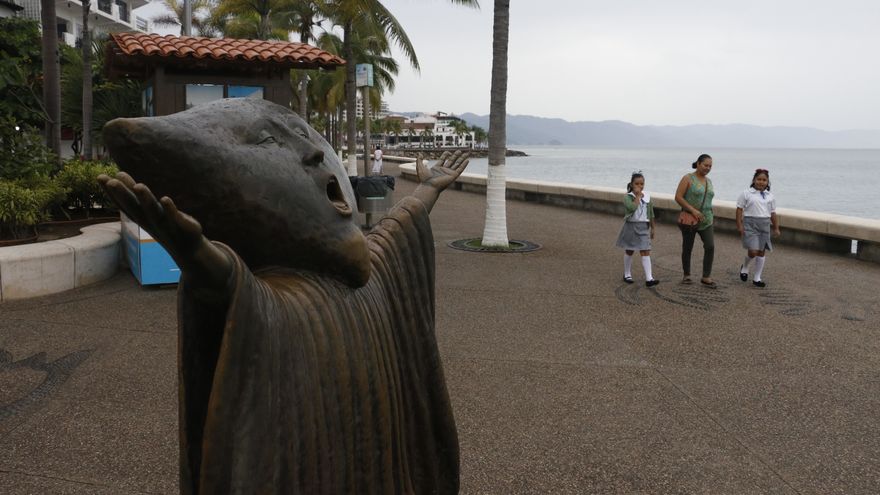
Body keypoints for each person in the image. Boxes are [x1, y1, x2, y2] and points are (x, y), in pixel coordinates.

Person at [675, 153, 716, 287]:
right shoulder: (688, 178)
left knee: (710, 246)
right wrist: (693, 210)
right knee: (688, 247)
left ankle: (706, 276)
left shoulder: (709, 181)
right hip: (690, 219)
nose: (707, 168)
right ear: (698, 164)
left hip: (707, 220)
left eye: (710, 166)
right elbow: (678, 197)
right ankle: (687, 275)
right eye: (705, 165)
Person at [736, 168, 780, 287]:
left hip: (764, 225)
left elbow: (773, 213)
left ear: (767, 182)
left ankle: (757, 278)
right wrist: (739, 225)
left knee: (761, 251)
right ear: (754, 180)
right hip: (750, 224)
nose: (761, 182)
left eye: (764, 180)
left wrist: (776, 228)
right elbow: (739, 209)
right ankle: (745, 267)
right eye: (759, 179)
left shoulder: (770, 196)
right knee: (753, 251)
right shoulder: (746, 193)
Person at [615, 171, 659, 287]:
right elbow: (631, 208)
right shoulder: (627, 197)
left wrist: (653, 228)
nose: (640, 186)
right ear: (632, 184)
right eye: (637, 184)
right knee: (629, 250)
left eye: (642, 184)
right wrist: (638, 197)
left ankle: (649, 278)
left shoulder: (648, 197)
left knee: (646, 250)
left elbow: (651, 213)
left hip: (643, 227)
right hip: (631, 226)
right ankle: (627, 274)